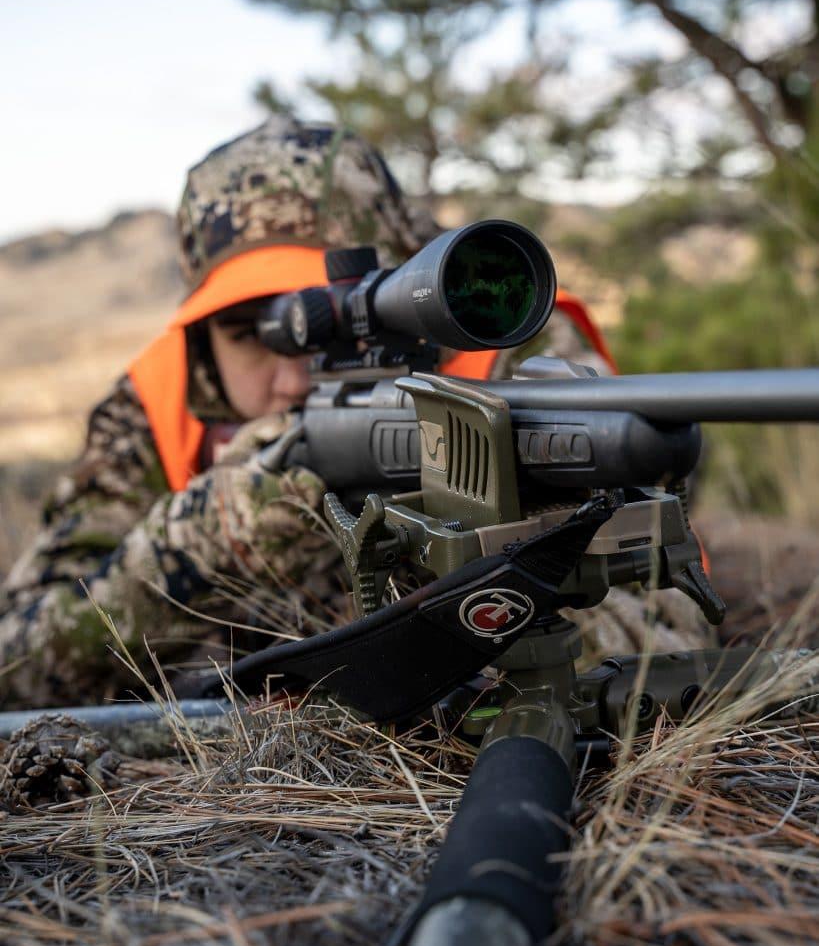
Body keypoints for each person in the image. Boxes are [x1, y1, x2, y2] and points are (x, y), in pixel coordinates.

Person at [0, 115, 706, 709]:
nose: (291, 377)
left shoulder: (516, 356)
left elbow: (666, 633)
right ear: (203, 333)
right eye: (250, 333)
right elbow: (18, 669)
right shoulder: (158, 406)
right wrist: (202, 543)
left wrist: (458, 552)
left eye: (330, 317)